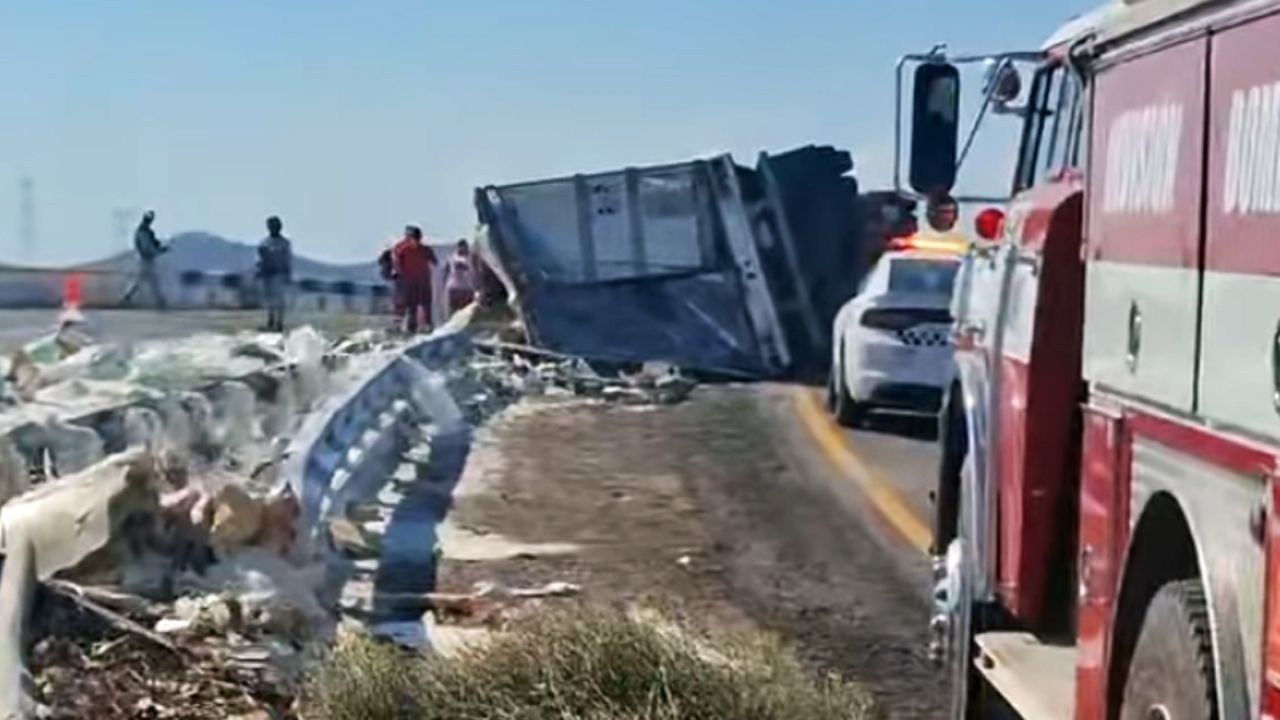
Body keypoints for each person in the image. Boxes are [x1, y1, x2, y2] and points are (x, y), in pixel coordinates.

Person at [392, 225, 436, 333]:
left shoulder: (424, 249)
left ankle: (428, 325)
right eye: (412, 239)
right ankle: (412, 327)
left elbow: (434, 261)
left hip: (424, 279)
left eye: (417, 239)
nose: (415, 242)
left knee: (426, 304)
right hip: (409, 280)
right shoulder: (401, 249)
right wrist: (398, 273)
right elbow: (396, 264)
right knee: (412, 305)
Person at [121, 210, 169, 308]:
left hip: (145, 259)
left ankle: (127, 298)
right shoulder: (143, 232)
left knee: (144, 281)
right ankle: (159, 301)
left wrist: (158, 248)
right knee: (149, 281)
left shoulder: (145, 232)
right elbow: (147, 247)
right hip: (146, 260)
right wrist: (159, 251)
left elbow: (152, 244)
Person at [257, 216, 293, 333]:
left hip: (279, 274)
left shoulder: (284, 243)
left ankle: (279, 323)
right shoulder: (264, 243)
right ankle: (271, 321)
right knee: (270, 300)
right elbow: (261, 259)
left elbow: (286, 259)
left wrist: (287, 273)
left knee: (279, 300)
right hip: (268, 274)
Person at [443, 239, 476, 316]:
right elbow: (446, 271)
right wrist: (444, 284)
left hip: (467, 289)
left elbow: (476, 272)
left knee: (467, 312)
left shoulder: (472, 258)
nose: (462, 249)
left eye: (464, 247)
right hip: (454, 288)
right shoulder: (451, 257)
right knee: (453, 310)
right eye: (460, 247)